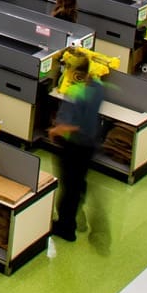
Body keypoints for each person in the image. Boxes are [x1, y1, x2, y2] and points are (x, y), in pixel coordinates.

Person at [49, 56, 105, 242]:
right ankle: (77, 210)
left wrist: (56, 130)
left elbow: (74, 125)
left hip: (74, 145)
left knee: (68, 186)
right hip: (90, 145)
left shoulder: (75, 91)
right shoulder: (97, 88)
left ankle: (66, 226)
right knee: (79, 182)